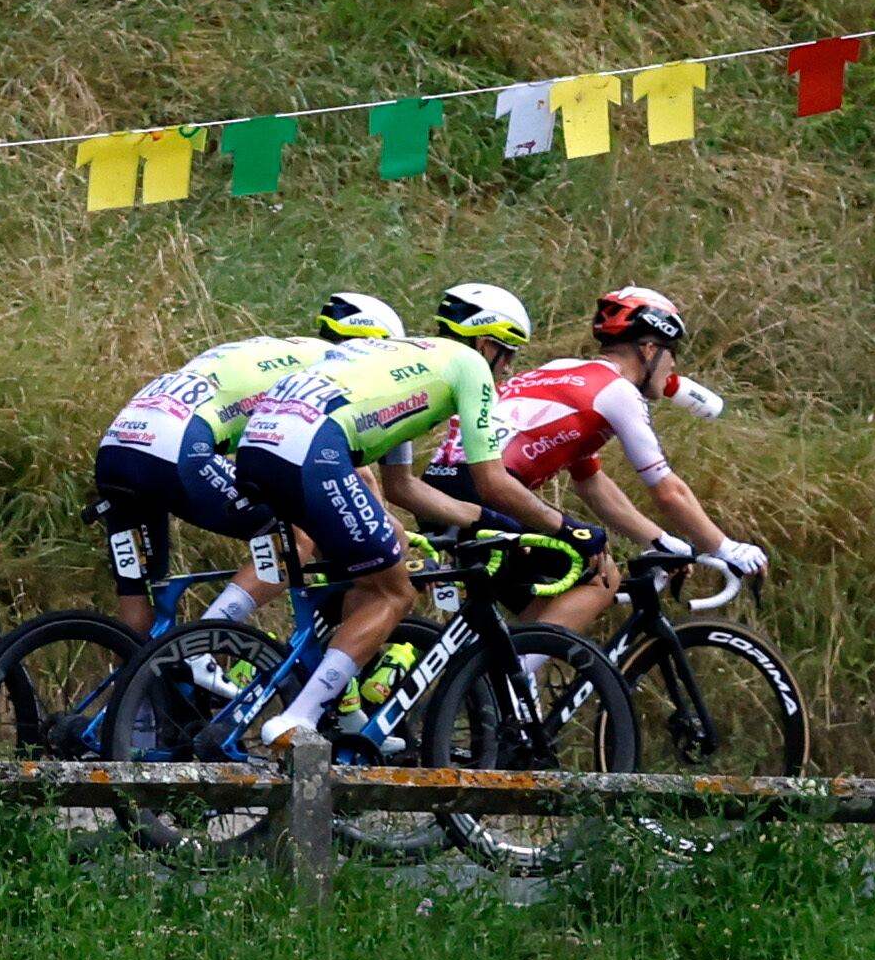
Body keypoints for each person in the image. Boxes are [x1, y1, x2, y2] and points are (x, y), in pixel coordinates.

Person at [231, 285, 529, 749]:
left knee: (368, 573)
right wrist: (561, 527)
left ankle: (341, 711)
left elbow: (401, 486)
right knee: (394, 590)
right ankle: (298, 719)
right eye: (507, 353)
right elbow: (490, 479)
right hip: (310, 451)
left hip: (261, 445)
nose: (508, 367)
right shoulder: (468, 367)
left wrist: (482, 519)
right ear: (486, 344)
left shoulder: (394, 368)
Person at [429, 286, 763, 638]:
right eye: (672, 352)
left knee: (540, 608)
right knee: (602, 576)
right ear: (649, 350)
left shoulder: (564, 371)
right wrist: (727, 548)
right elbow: (668, 491)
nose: (674, 365)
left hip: (442, 485)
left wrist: (660, 540)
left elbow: (591, 483)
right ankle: (516, 684)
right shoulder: (618, 392)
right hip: (490, 491)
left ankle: (484, 683)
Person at [90, 294, 400, 637]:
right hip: (174, 447)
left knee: (138, 589)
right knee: (295, 541)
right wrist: (379, 531)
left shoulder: (268, 349)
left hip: (118, 446)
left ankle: (136, 681)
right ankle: (202, 641)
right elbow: (353, 475)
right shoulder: (328, 369)